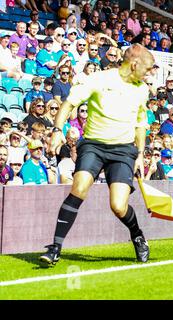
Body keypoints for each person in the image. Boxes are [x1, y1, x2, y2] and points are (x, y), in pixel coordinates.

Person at [39, 44, 155, 265]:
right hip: (93, 145)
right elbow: (69, 103)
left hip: (123, 150)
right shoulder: (99, 79)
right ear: (134, 64)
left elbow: (141, 124)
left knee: (118, 206)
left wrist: (140, 155)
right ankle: (55, 247)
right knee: (79, 188)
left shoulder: (141, 89)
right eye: (148, 68)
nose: (150, 73)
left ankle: (138, 236)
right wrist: (56, 131)